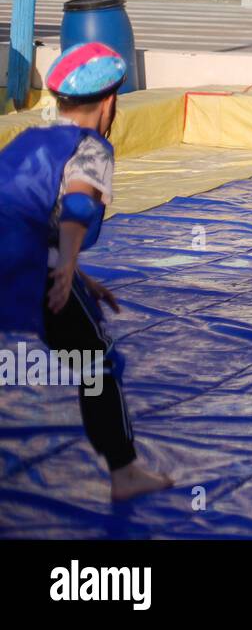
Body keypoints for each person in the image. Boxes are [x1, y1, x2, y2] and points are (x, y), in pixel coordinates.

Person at [0, 42, 173, 501]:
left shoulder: (30, 139)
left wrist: (79, 277)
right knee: (96, 359)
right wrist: (69, 265)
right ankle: (125, 472)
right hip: (30, 265)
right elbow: (77, 203)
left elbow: (24, 212)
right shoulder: (90, 146)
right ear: (111, 102)